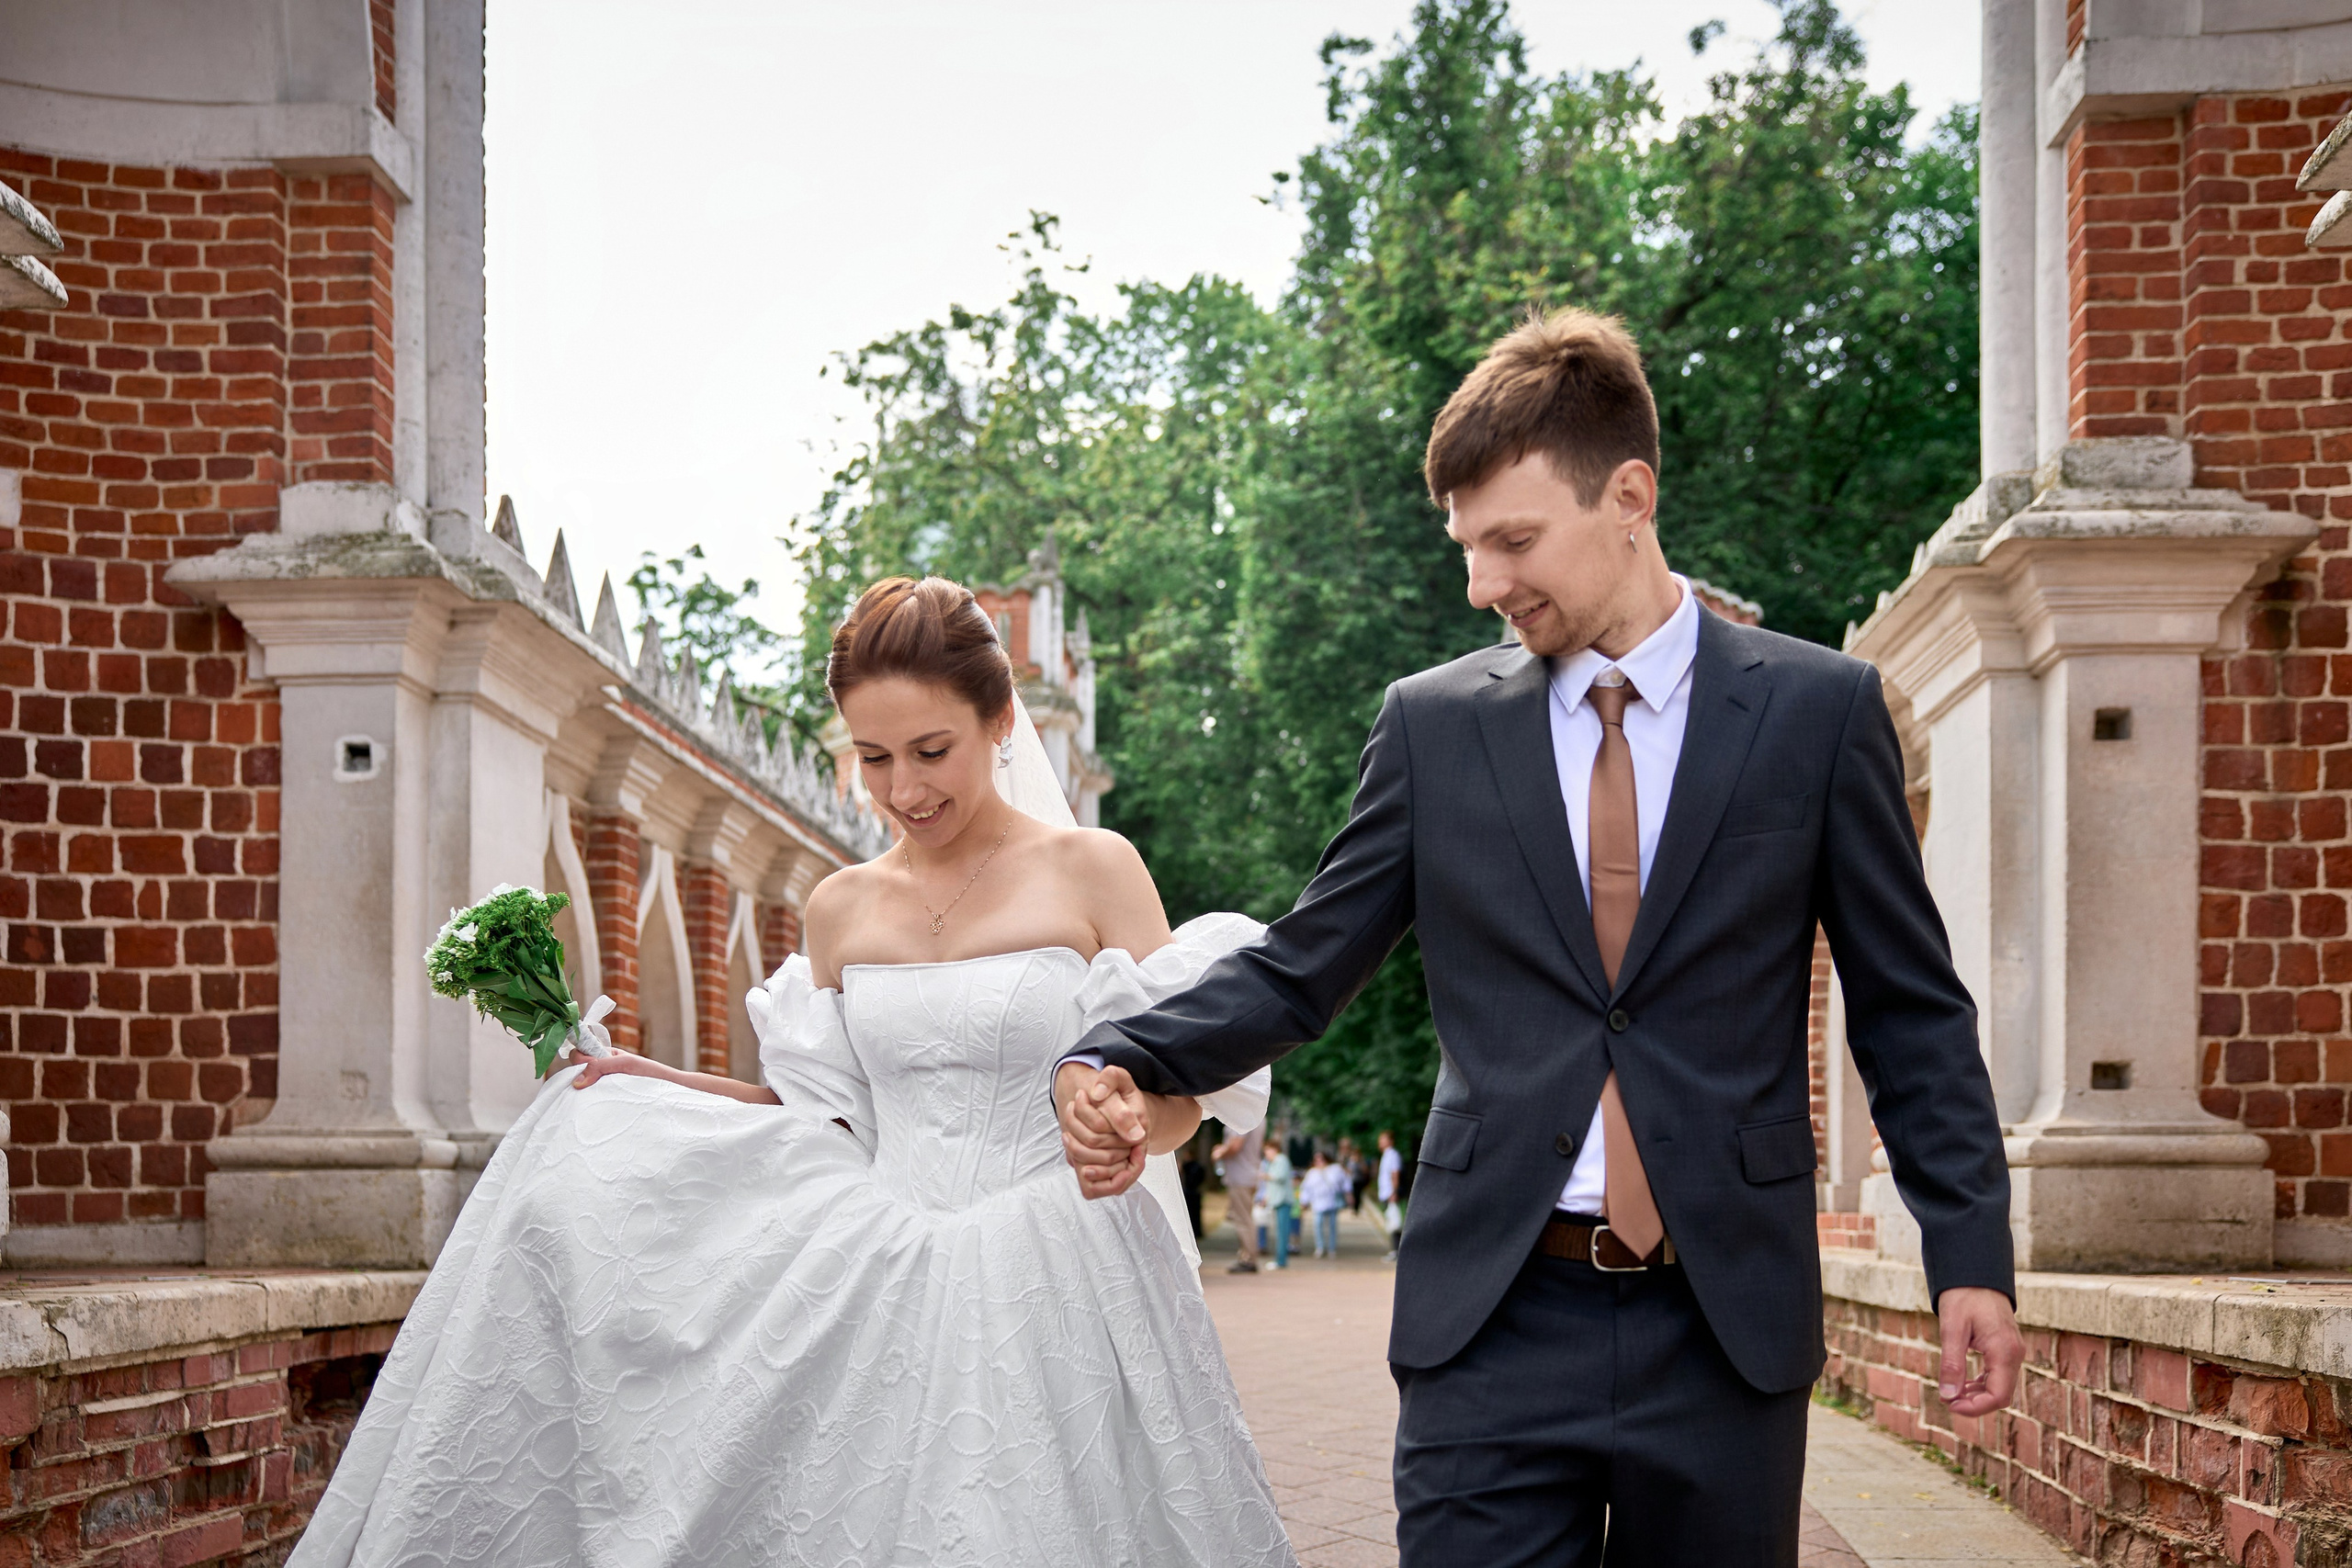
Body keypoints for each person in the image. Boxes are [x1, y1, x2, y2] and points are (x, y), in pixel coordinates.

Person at [1055, 309, 2019, 1566]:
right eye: (1467, 546)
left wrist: (1970, 1253)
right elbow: (1306, 963)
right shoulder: (1433, 727)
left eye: (1512, 539)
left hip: (1722, 1317)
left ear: (1630, 495)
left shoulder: (1818, 716)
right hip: (1491, 1318)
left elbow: (1909, 1009)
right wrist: (1113, 1049)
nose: (1482, 583)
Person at [292, 577, 1296, 1568]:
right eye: (873, 758)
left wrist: (1130, 1130)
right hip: (882, 1270)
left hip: (1064, 1268)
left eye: (931, 751)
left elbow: (1173, 1093)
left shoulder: (1095, 868)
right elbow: (823, 1119)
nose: (904, 790)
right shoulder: (839, 909)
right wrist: (656, 1084)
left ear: (998, 723)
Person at [1214, 1124, 1263, 1274]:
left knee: (1242, 1219)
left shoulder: (1242, 1118)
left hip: (1240, 1176)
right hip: (1249, 1174)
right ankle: (1246, 1256)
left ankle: (1249, 1258)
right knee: (1246, 1217)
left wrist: (1220, 1152)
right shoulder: (1258, 1115)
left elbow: (1235, 1146)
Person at [1301, 1151, 1350, 1258]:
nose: (1319, 1162)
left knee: (1332, 1226)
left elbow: (1344, 1182)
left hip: (1332, 1202)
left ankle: (1332, 1248)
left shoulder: (1335, 1169)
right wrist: (1304, 1201)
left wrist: (1348, 1195)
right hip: (1317, 1203)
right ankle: (1320, 1247)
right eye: (1316, 1160)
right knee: (1318, 1225)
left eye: (1321, 1159)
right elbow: (1306, 1188)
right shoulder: (1312, 1173)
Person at [1261, 1142, 1295, 1270]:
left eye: (1267, 1150)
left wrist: (1264, 1176)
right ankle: (1280, 1259)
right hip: (1278, 1200)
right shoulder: (1275, 1162)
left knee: (1282, 1232)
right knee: (1280, 1231)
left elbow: (1279, 1177)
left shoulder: (1281, 1160)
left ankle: (1281, 1260)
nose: (1266, 1154)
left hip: (1283, 1200)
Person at [1374, 1130, 1404, 1260]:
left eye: (1383, 1139)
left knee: (1394, 1224)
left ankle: (1396, 1251)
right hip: (1386, 1193)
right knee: (1391, 1222)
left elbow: (1395, 1174)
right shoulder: (1386, 1155)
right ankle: (1394, 1250)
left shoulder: (1392, 1155)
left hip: (1390, 1193)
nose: (1380, 1142)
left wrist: (1394, 1192)